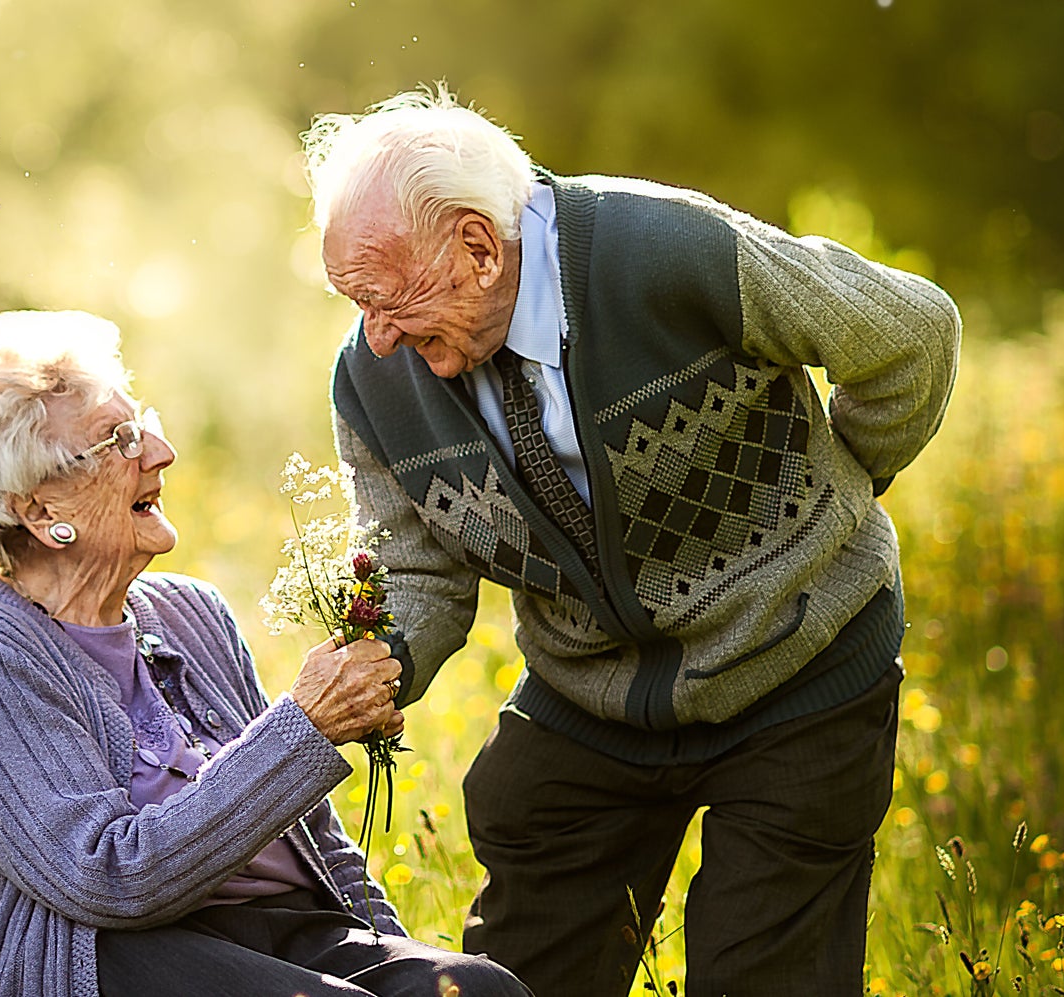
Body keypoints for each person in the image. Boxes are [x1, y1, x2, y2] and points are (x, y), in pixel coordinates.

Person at [305, 86, 962, 996]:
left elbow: (911, 332)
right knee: (514, 978)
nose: (374, 338)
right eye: (354, 302)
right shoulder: (375, 381)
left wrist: (839, 481)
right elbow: (420, 565)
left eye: (384, 297)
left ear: (477, 247)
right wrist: (379, 662)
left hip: (797, 667)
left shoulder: (662, 248)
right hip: (595, 694)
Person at [0, 309, 533, 997]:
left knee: (480, 990)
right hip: (110, 959)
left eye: (144, 423)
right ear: (42, 512)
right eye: (119, 439)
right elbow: (107, 877)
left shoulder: (190, 611)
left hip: (277, 930)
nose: (160, 450)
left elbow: (316, 838)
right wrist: (304, 727)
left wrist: (399, 954)